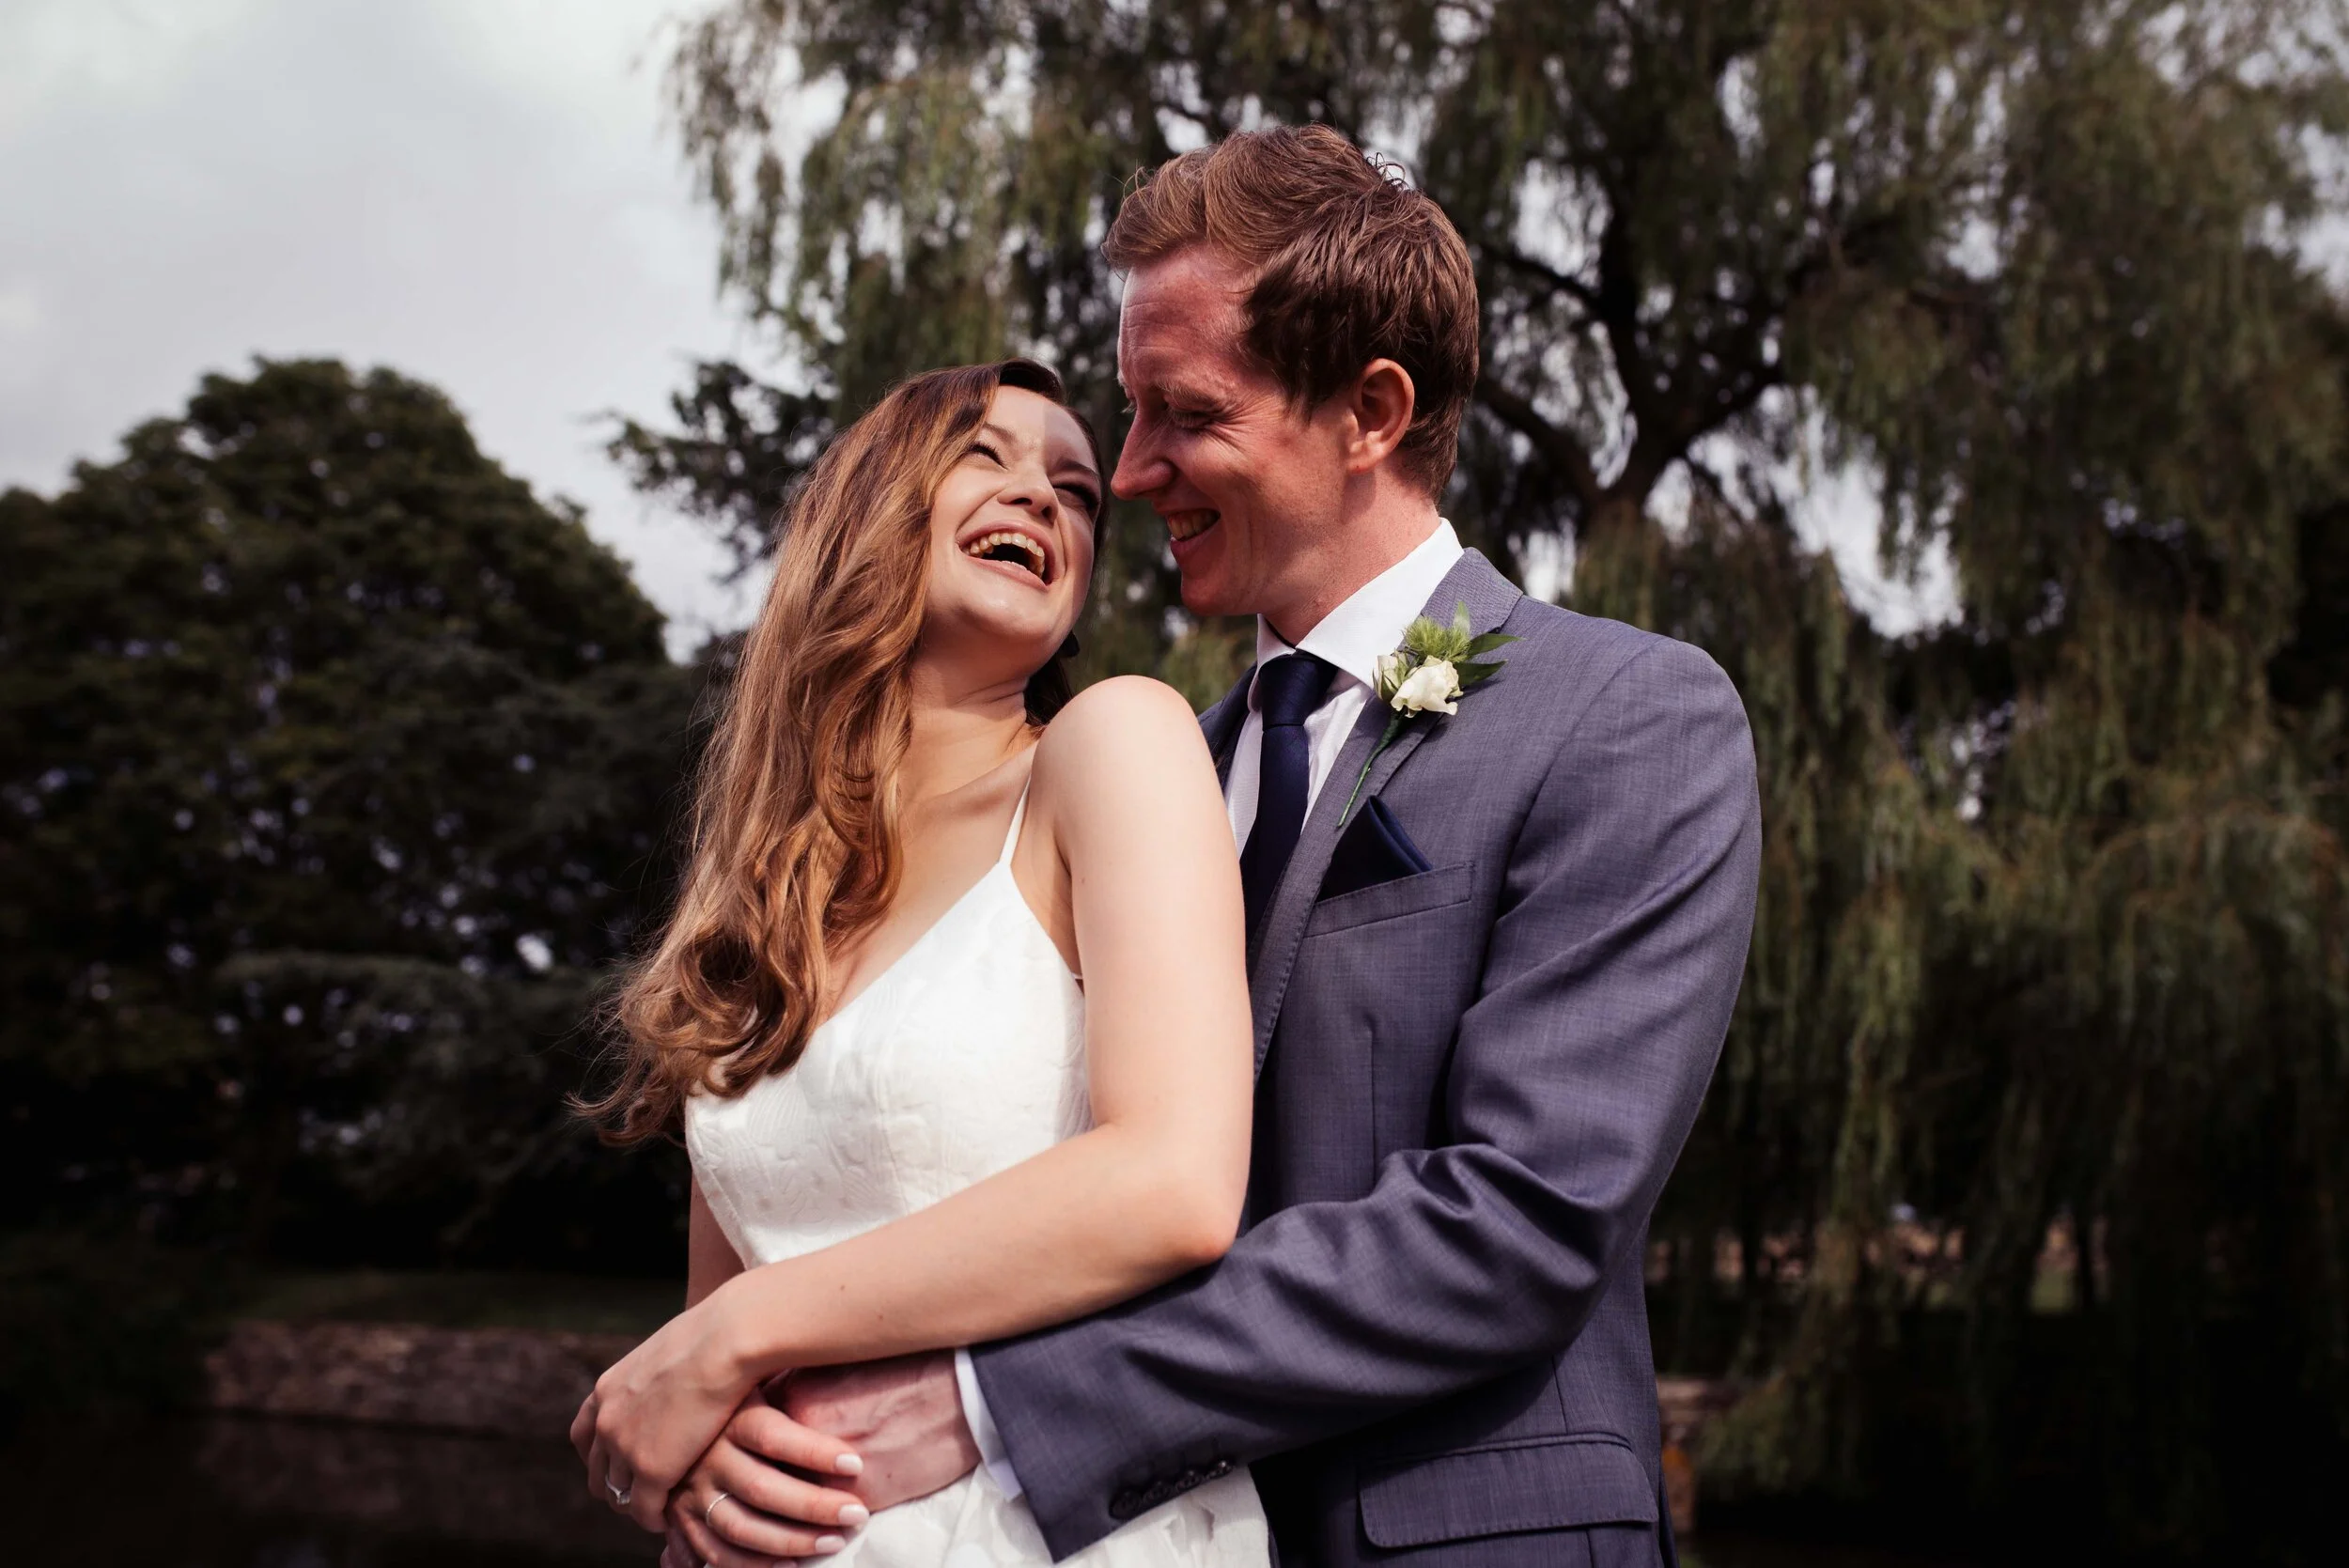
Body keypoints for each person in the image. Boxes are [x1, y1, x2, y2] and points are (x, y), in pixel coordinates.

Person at [678, 126, 1763, 1568]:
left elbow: (1521, 1221)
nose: (1129, 476)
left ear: (1370, 410)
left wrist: (1001, 1409)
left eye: (1181, 413)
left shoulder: (1624, 715)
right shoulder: (1143, 776)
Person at [571, 358, 1273, 1567]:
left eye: (1072, 491)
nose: (1044, 501)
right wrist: (707, 1458)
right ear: (868, 510)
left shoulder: (1111, 745)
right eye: (985, 457)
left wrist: (733, 1337)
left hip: (1043, 1529)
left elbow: (1174, 1181)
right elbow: (717, 1310)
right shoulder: (762, 899)